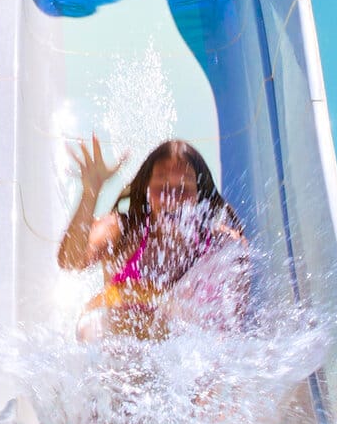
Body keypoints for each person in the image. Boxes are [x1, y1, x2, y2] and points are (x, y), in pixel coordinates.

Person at [57, 137, 246, 342]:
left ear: (199, 193)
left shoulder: (221, 245)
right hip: (118, 350)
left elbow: (232, 328)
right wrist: (90, 192)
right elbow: (70, 261)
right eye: (162, 186)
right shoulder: (122, 230)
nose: (171, 197)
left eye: (183, 188)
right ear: (147, 188)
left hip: (178, 354)